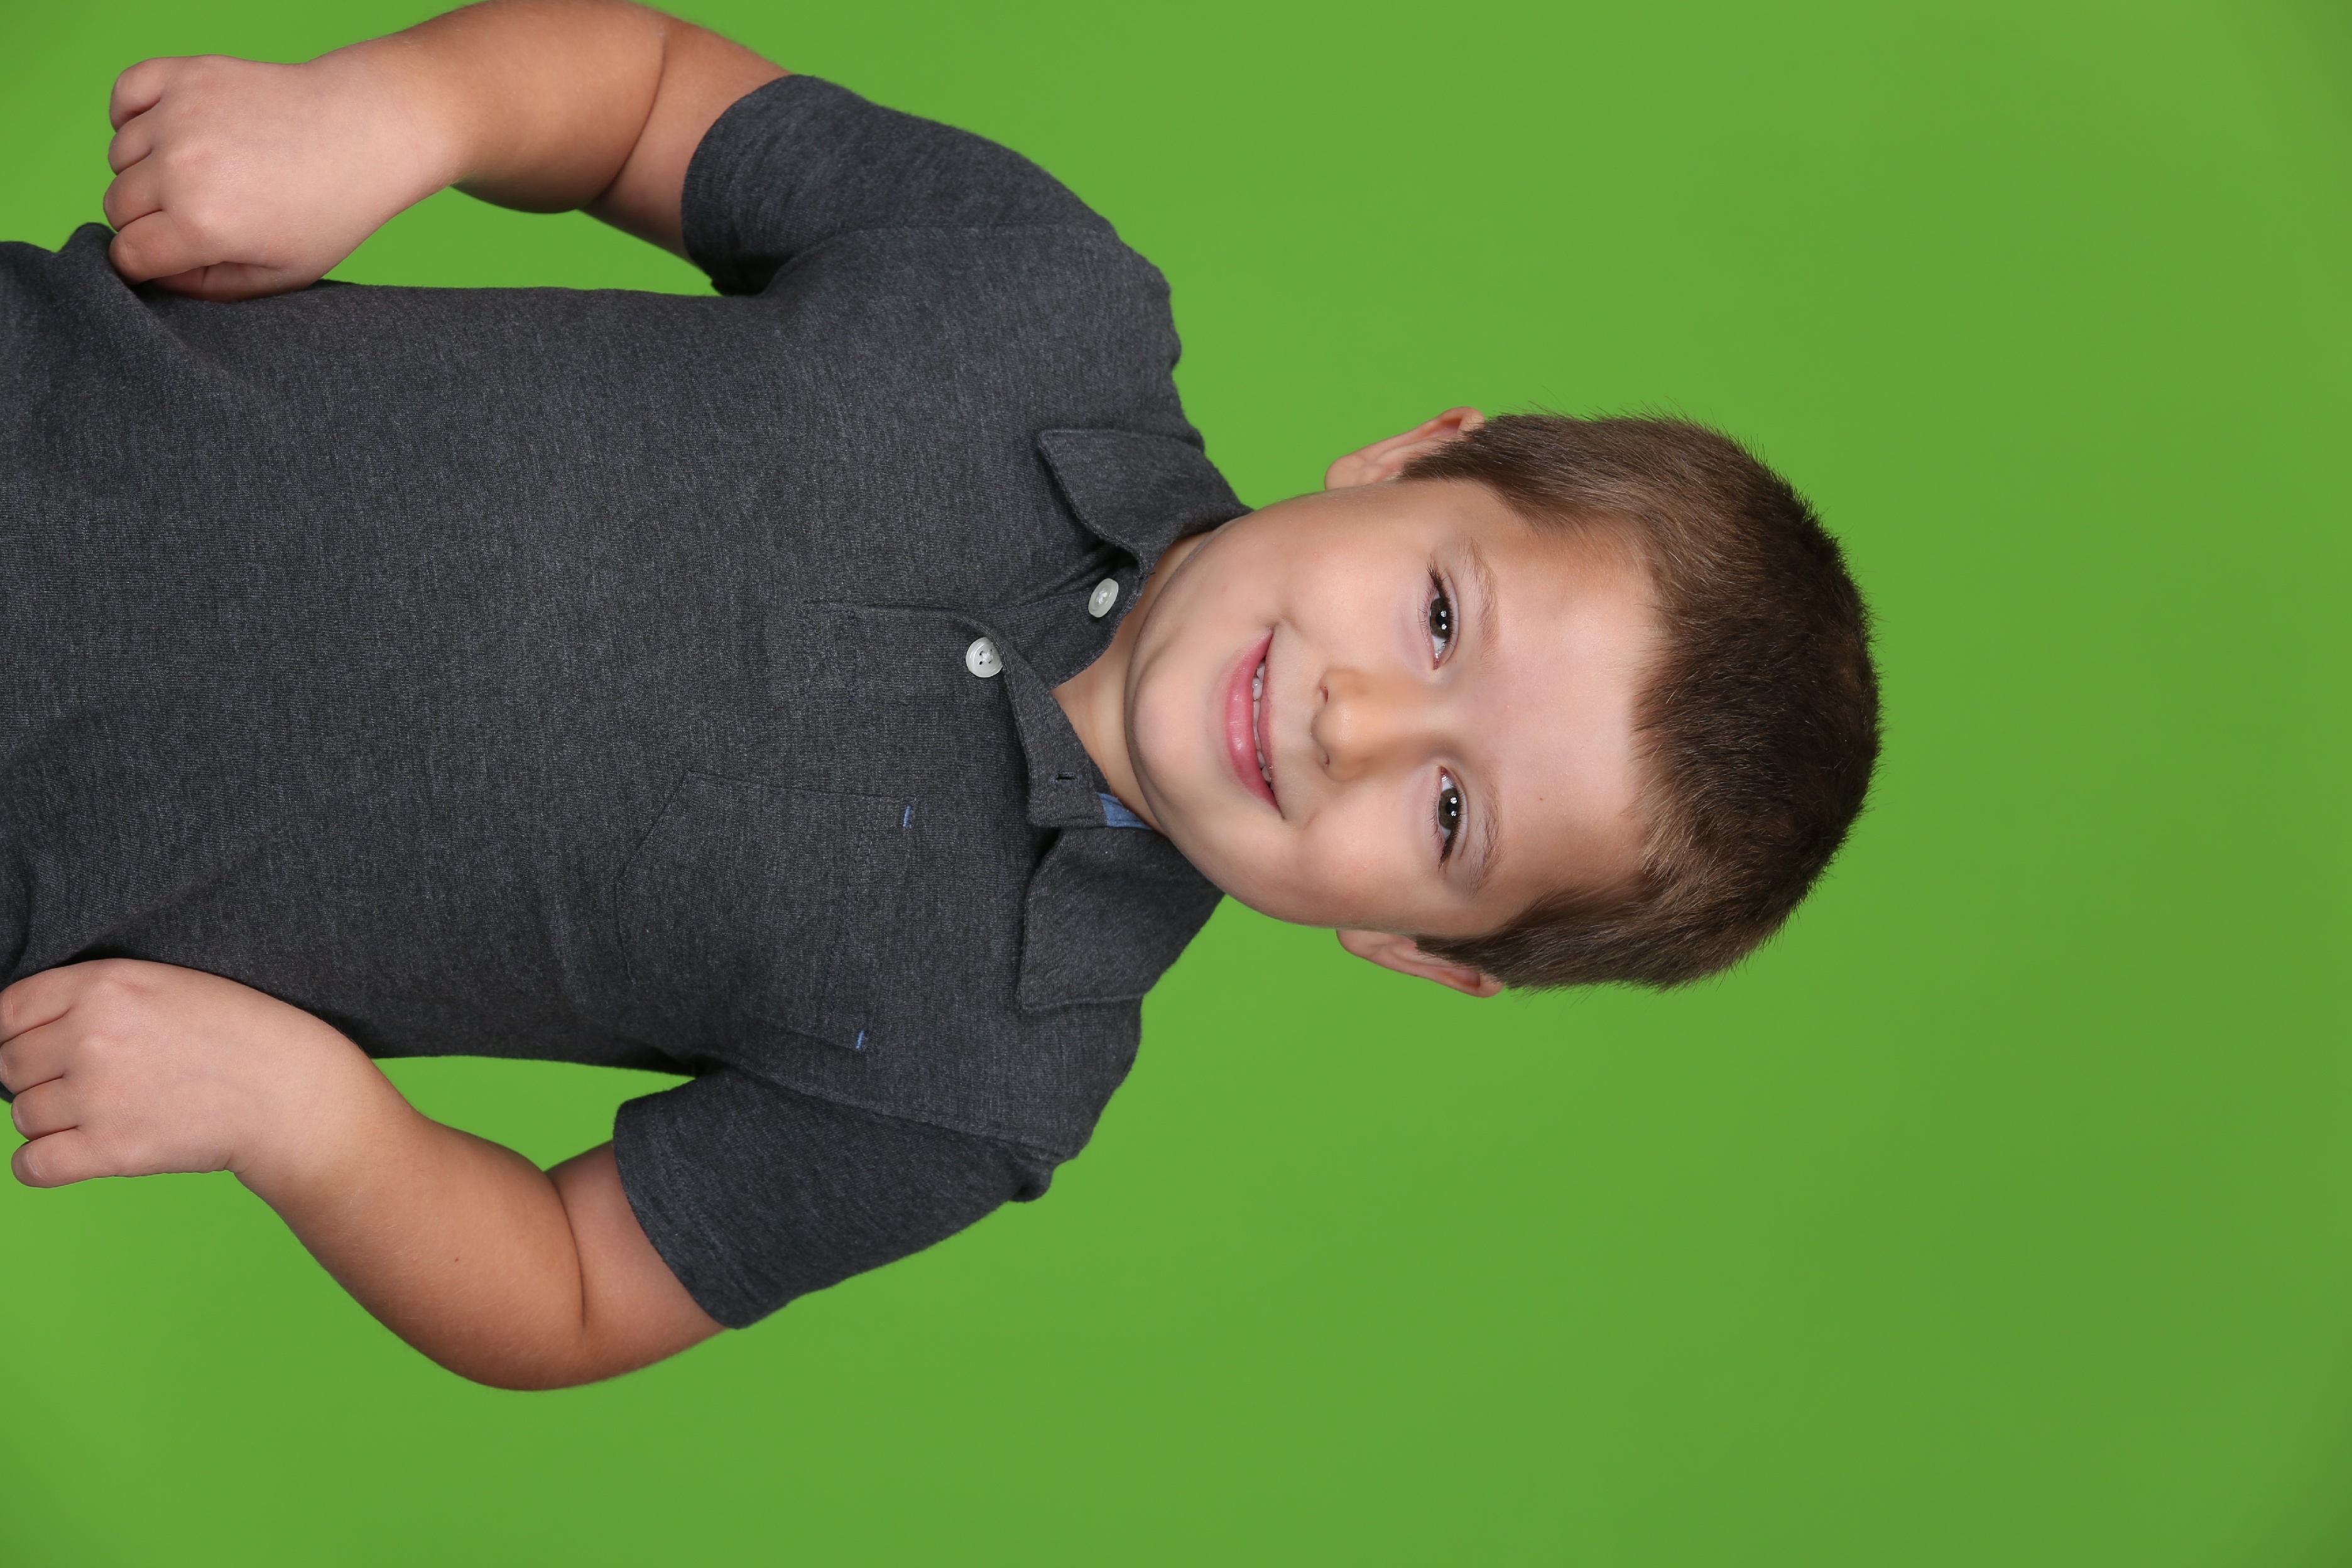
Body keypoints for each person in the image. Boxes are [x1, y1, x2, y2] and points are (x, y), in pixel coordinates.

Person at [0, 0, 1879, 1388]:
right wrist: (392, 113)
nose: (1355, 724)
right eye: (1442, 617)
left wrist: (304, 1122)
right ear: (1411, 459)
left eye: (1451, 813)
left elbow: (570, 1291)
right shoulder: (1040, 297)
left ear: (1418, 951)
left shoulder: (983, 1079)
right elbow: (645, 97)